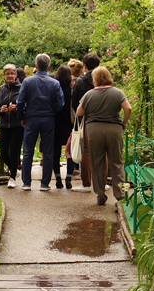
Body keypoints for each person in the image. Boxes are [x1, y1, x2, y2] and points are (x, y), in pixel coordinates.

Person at [77, 65, 132, 206]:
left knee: (97, 163)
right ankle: (121, 195)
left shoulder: (89, 94)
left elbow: (79, 112)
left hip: (94, 130)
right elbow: (128, 108)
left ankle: (100, 195)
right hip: (114, 129)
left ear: (94, 79)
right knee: (118, 163)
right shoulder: (118, 93)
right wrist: (123, 123)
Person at [16, 53, 64, 191]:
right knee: (48, 151)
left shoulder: (27, 82)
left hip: (31, 118)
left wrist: (22, 117)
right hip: (48, 118)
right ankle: (44, 183)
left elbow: (20, 102)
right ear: (48, 67)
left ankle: (26, 182)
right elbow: (60, 103)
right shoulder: (55, 83)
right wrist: (52, 112)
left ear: (35, 66)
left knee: (28, 151)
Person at [70, 52, 100, 192]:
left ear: (85, 66)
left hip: (85, 120)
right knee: (102, 151)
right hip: (102, 118)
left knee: (86, 151)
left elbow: (74, 102)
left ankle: (86, 183)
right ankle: (102, 182)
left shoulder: (81, 82)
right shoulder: (103, 78)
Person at [0, 63, 23, 188]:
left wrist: (17, 107)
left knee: (15, 151)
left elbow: (27, 104)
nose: (10, 76)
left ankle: (12, 177)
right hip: (4, 125)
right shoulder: (1, 89)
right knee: (4, 152)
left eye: (12, 73)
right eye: (7, 74)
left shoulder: (22, 88)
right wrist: (0, 110)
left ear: (16, 75)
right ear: (4, 75)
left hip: (17, 124)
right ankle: (14, 170)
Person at [52, 64, 73, 189]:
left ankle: (58, 178)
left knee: (56, 152)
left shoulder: (54, 90)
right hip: (69, 124)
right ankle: (69, 178)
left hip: (55, 123)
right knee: (70, 152)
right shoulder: (71, 90)